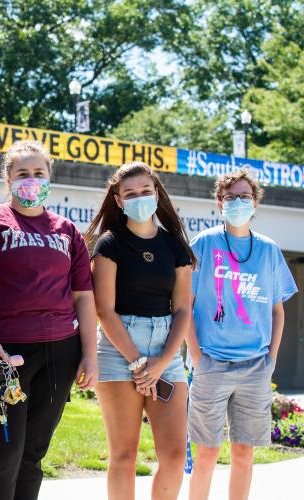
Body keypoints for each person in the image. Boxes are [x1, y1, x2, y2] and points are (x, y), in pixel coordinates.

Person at [0, 140, 98, 500]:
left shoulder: (67, 231)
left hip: (59, 352)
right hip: (3, 354)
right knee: (2, 451)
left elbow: (83, 296)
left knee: (33, 452)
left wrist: (90, 354)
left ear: (50, 178)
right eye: (23, 173)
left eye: (39, 173)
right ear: (8, 178)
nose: (31, 180)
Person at [86, 161, 195, 500]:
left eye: (146, 191)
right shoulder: (109, 244)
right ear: (118, 200)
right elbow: (104, 308)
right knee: (124, 455)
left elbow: (182, 309)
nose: (139, 198)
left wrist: (162, 362)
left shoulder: (174, 245)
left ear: (157, 193)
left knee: (175, 457)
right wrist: (136, 362)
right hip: (120, 350)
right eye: (129, 193)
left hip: (167, 351)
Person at [187, 168, 297, 500]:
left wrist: (271, 360)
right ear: (219, 203)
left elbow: (278, 310)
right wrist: (197, 357)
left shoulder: (268, 250)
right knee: (206, 454)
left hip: (255, 366)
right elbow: (185, 306)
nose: (238, 202)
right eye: (231, 196)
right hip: (212, 364)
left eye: (244, 196)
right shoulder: (203, 244)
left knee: (244, 455)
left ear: (255, 203)